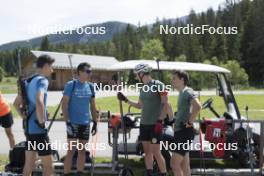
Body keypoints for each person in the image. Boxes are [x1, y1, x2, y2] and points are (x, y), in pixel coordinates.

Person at [117, 63, 169, 176]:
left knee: (156, 152)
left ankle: (164, 173)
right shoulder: (143, 88)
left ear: (141, 73)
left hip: (155, 125)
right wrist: (125, 99)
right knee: (147, 152)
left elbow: (165, 104)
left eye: (136, 74)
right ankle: (149, 173)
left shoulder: (158, 85)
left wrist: (160, 120)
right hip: (144, 124)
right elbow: (140, 105)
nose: (136, 77)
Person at [13, 55, 55, 176]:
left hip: (29, 130)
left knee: (29, 165)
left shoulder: (28, 81)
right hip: (39, 131)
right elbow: (39, 100)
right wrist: (42, 122)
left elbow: (16, 104)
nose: (52, 70)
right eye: (51, 67)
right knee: (48, 166)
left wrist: (23, 116)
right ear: (46, 66)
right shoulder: (42, 80)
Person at [62, 62, 98, 175]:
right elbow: (64, 105)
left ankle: (79, 173)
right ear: (80, 72)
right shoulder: (70, 85)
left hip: (85, 123)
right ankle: (66, 174)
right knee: (71, 151)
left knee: (82, 151)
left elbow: (93, 106)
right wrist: (67, 123)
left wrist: (95, 122)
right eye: (88, 71)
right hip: (73, 124)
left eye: (90, 71)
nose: (90, 73)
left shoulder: (91, 86)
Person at [169, 70, 201, 176]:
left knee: (174, 164)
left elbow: (197, 106)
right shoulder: (182, 93)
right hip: (181, 132)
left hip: (184, 132)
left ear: (182, 80)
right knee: (184, 164)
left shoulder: (187, 91)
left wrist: (189, 123)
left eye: (174, 78)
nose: (171, 80)